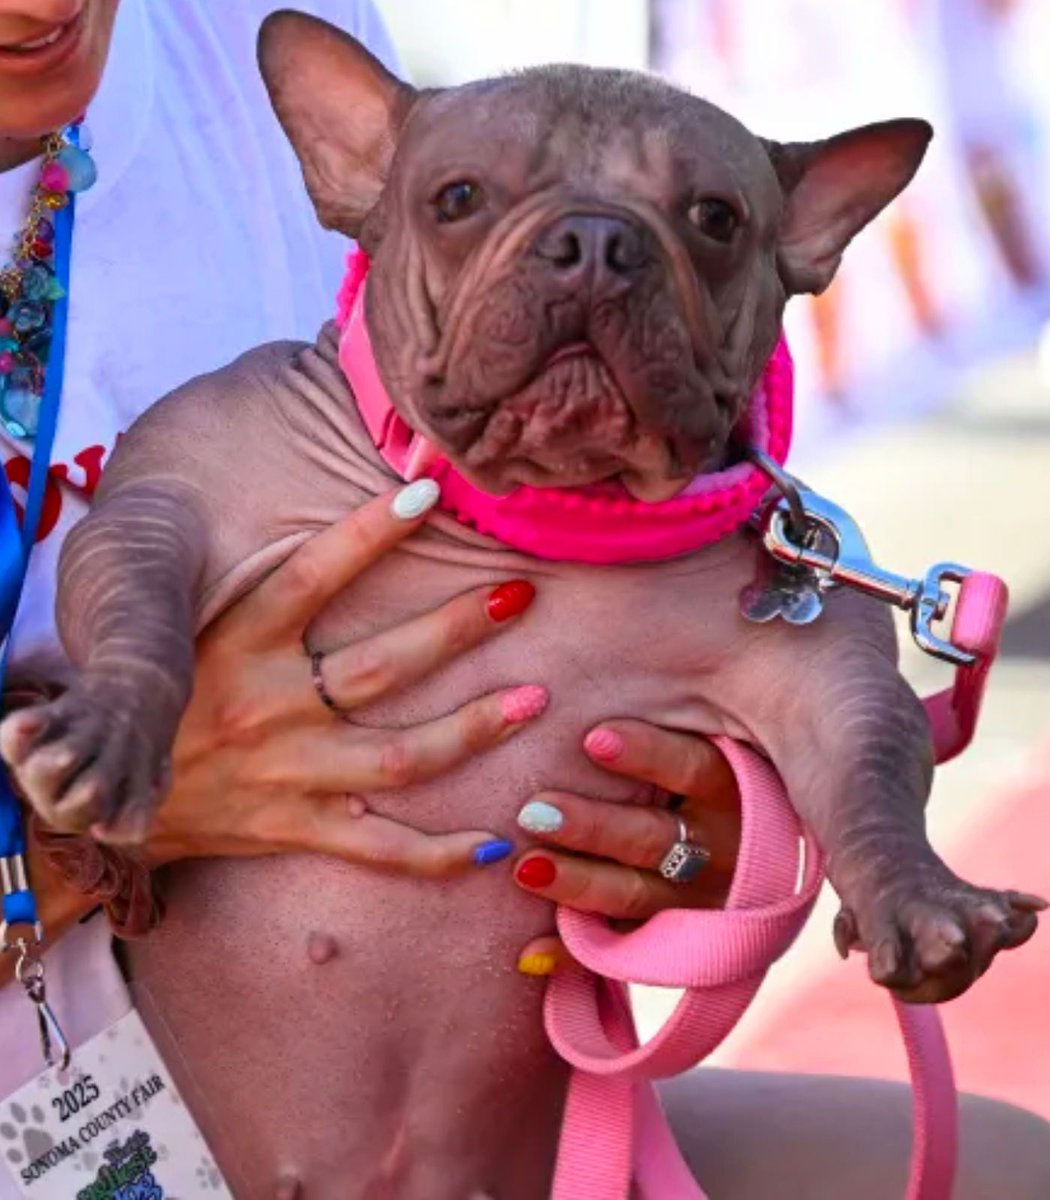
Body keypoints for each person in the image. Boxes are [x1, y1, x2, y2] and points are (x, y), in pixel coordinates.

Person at [0, 1, 1046, 1196]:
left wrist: (765, 836)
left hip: (501, 1150)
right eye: (465, 206)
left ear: (803, 242)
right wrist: (106, 790)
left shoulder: (226, 32)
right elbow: (150, 527)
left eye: (703, 224)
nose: (591, 263)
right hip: (61, 1104)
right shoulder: (255, 431)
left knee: (1007, 1168)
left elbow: (836, 695)